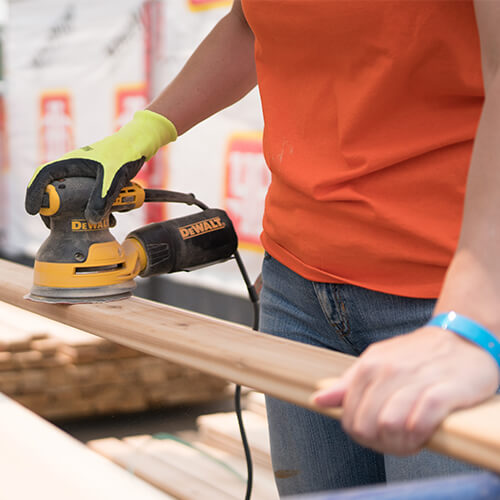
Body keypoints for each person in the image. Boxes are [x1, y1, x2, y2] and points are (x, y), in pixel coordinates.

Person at [25, 0, 500, 496]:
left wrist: (470, 325)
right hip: (297, 292)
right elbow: (248, 23)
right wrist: (142, 132)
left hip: (443, 299)